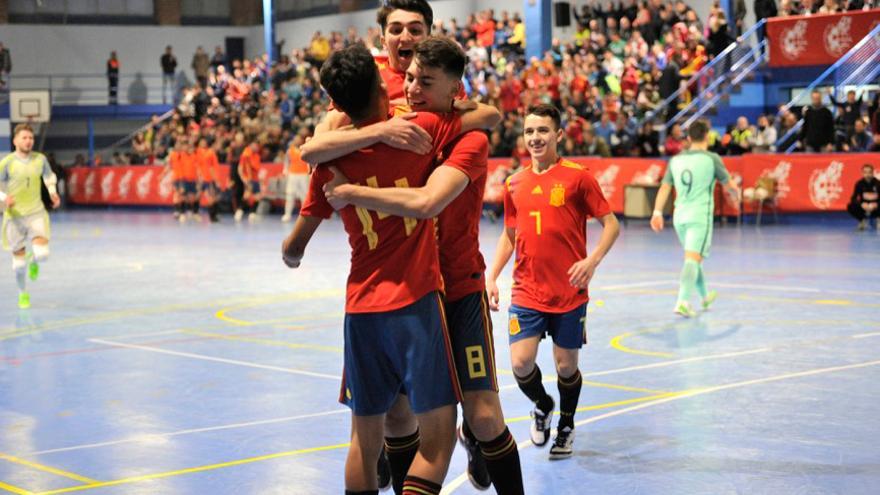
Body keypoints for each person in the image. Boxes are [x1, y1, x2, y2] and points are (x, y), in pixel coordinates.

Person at [310, 36, 523, 494]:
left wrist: (351, 193)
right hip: (407, 294)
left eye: (425, 80)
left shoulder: (466, 134)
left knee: (482, 415)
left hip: (457, 289)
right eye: (407, 76)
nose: (411, 88)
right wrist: (379, 132)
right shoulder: (391, 124)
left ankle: (481, 450)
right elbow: (314, 146)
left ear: (454, 88)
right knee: (398, 417)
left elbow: (428, 198)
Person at [486, 104, 620, 460]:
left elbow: (612, 225)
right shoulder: (514, 182)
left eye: (543, 131)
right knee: (520, 363)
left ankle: (567, 424)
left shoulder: (578, 177)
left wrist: (592, 262)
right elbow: (510, 234)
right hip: (527, 288)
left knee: (565, 366)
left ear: (559, 135)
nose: (535, 138)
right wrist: (492, 276)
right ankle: (543, 404)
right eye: (529, 132)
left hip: (569, 293)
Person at [650, 119, 740, 317]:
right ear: (707, 136)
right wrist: (739, 195)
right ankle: (682, 301)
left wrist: (657, 212)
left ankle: (705, 296)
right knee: (692, 259)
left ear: (689, 138)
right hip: (700, 217)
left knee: (693, 258)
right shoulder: (712, 158)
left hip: (679, 217)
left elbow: (665, 187)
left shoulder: (675, 160)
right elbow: (730, 185)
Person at [0, 124, 60, 309]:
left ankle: (33, 261)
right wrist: (4, 198)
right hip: (14, 217)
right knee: (18, 266)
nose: (28, 141)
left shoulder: (40, 159)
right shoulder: (7, 162)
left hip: (36, 213)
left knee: (42, 254)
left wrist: (52, 192)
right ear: (15, 141)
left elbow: (49, 177)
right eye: (24, 138)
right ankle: (22, 293)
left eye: (31, 138)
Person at [281, 135, 309, 223]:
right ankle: (287, 214)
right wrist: (285, 170)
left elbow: (309, 161)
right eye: (295, 139)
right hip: (292, 174)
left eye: (298, 139)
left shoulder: (305, 148)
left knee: (304, 195)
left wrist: (309, 172)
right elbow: (286, 161)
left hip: (303, 175)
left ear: (301, 140)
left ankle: (304, 214)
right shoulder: (290, 150)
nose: (297, 141)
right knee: (290, 194)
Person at [195, 138, 221, 222]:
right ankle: (211, 216)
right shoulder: (207, 153)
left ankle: (213, 215)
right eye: (218, 144)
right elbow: (210, 168)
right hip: (208, 179)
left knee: (214, 197)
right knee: (209, 197)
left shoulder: (211, 153)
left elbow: (213, 167)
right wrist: (215, 179)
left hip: (209, 178)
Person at [848, 164, 879, 231]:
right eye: (865, 172)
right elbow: (853, 198)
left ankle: (878, 219)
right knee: (850, 206)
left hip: (876, 209)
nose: (867, 174)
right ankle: (862, 221)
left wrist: (876, 204)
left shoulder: (878, 183)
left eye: (869, 172)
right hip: (864, 207)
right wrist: (861, 204)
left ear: (873, 173)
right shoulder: (859, 184)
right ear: (862, 173)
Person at [237, 140, 262, 222]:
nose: (256, 147)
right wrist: (243, 178)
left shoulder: (257, 156)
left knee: (257, 197)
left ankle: (253, 213)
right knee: (246, 196)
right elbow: (240, 168)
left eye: (257, 146)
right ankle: (239, 211)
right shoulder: (246, 154)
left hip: (256, 179)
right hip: (249, 179)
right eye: (255, 145)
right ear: (251, 145)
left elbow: (257, 168)